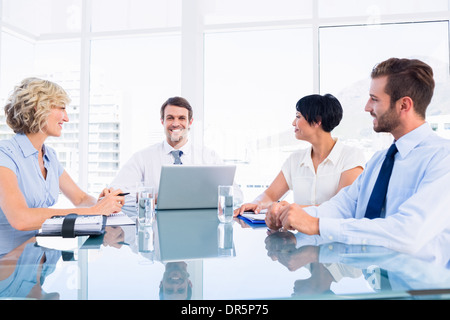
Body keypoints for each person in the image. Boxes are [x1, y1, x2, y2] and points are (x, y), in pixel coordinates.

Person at [267, 58, 450, 258]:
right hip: (378, 280)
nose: (366, 107)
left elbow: (408, 233)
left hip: (422, 288)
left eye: (374, 99)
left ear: (404, 105)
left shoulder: (442, 159)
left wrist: (317, 225)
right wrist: (291, 215)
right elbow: (344, 205)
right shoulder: (380, 161)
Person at [0, 78, 125, 234]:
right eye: (62, 108)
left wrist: (104, 204)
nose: (66, 118)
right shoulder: (4, 154)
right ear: (38, 108)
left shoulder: (49, 156)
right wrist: (94, 211)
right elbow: (20, 219)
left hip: (34, 252)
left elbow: (80, 199)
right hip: (7, 257)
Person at [234, 94, 365, 216]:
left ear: (318, 120)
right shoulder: (295, 160)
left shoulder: (351, 157)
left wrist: (291, 210)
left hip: (335, 238)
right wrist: (257, 204)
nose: (293, 123)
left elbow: (342, 208)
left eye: (298, 116)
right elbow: (269, 195)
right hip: (300, 238)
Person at [110, 96, 243, 204]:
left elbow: (236, 195)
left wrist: (200, 197)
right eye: (170, 118)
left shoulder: (209, 157)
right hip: (157, 229)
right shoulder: (143, 157)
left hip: (198, 229)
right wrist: (153, 197)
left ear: (190, 122)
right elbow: (116, 193)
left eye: (181, 118)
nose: (175, 123)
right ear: (162, 121)